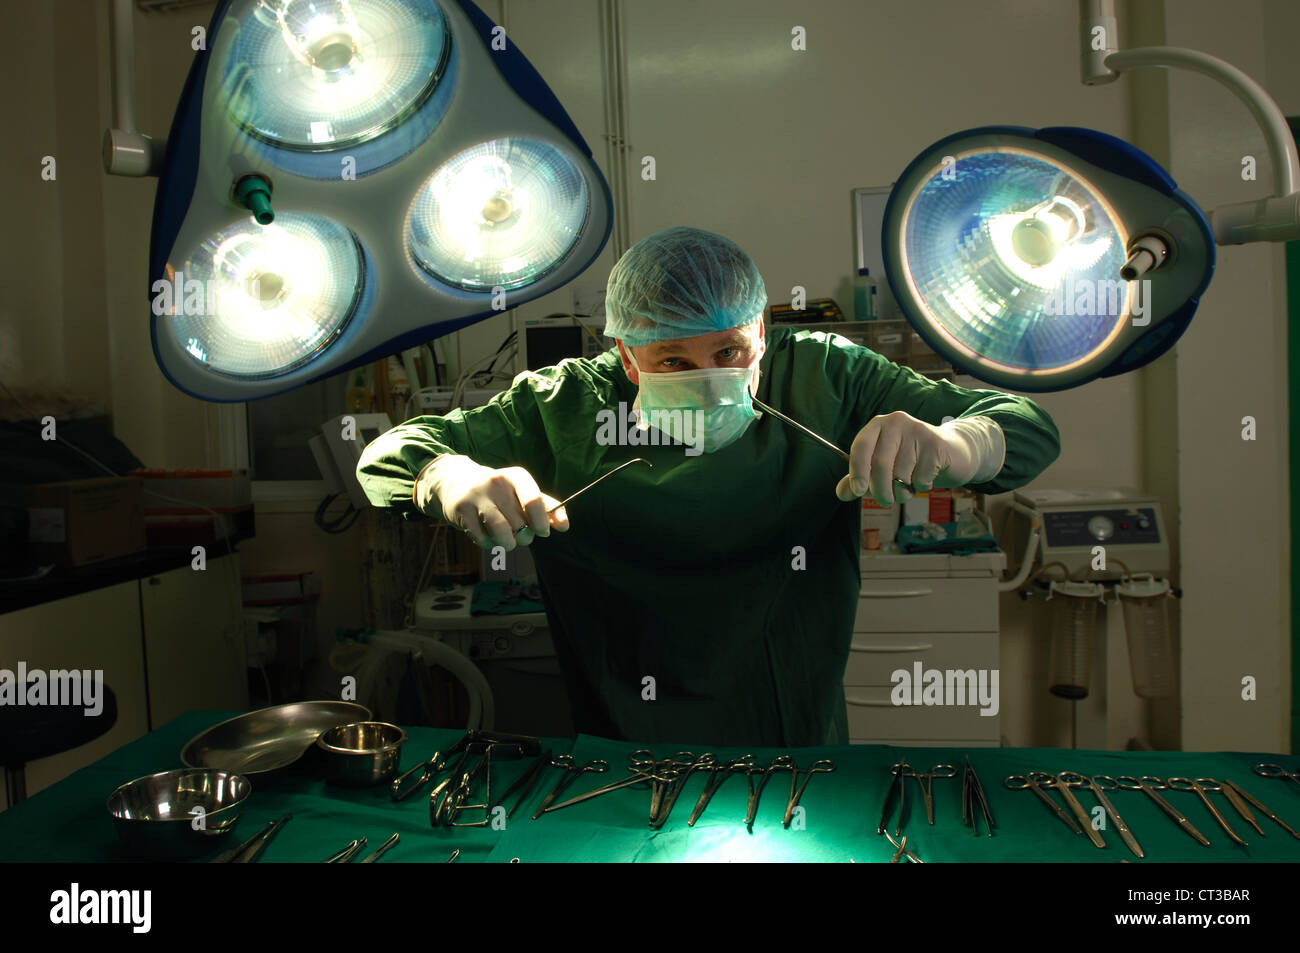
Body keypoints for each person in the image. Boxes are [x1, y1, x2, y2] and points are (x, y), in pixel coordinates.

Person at [357, 226, 1060, 746]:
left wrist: (957, 443)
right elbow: (386, 454)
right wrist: (450, 475)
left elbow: (1028, 427)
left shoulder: (824, 377)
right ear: (626, 357)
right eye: (672, 358)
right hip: (624, 741)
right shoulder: (565, 406)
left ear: (761, 332)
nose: (708, 374)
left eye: (729, 351)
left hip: (795, 737)